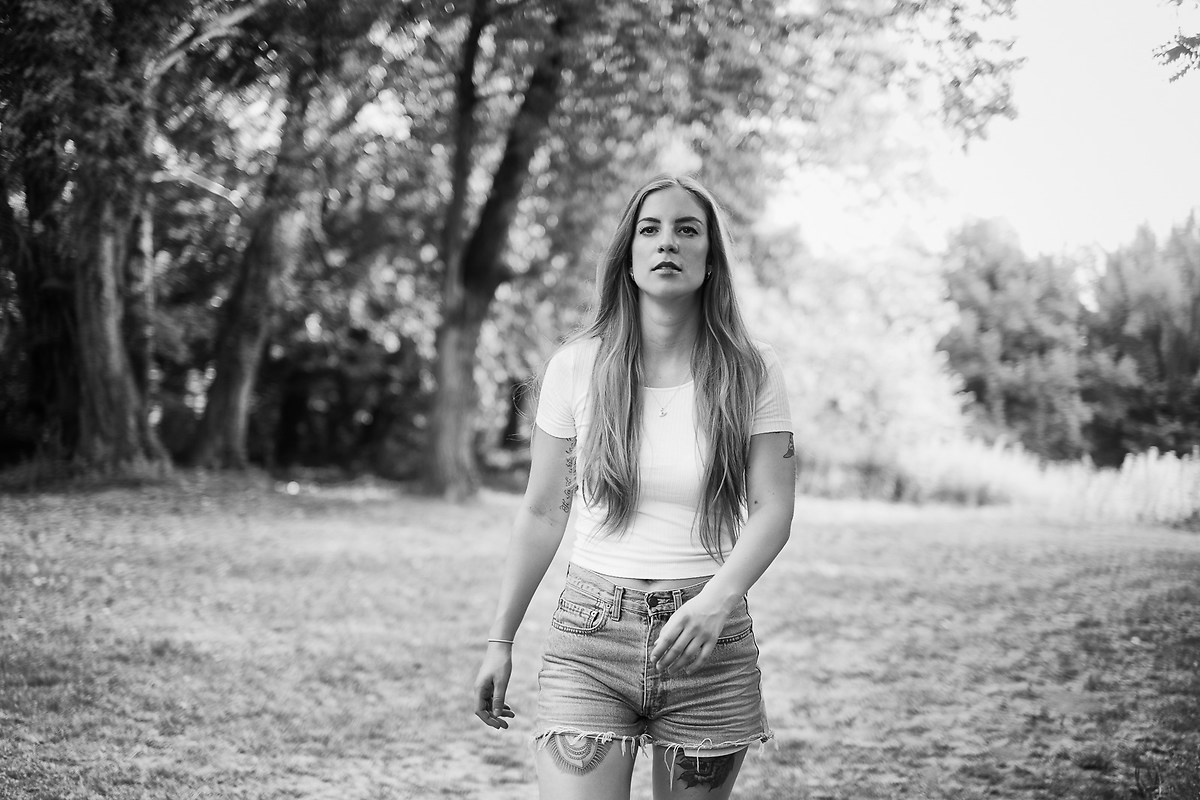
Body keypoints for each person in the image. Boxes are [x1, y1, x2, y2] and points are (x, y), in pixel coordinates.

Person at [472, 174, 795, 800]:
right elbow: (542, 511)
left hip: (708, 639)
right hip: (590, 637)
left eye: (686, 230)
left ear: (711, 258)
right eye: (650, 229)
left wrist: (718, 600)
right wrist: (500, 639)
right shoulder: (577, 366)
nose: (667, 242)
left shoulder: (752, 370)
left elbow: (773, 508)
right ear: (628, 255)